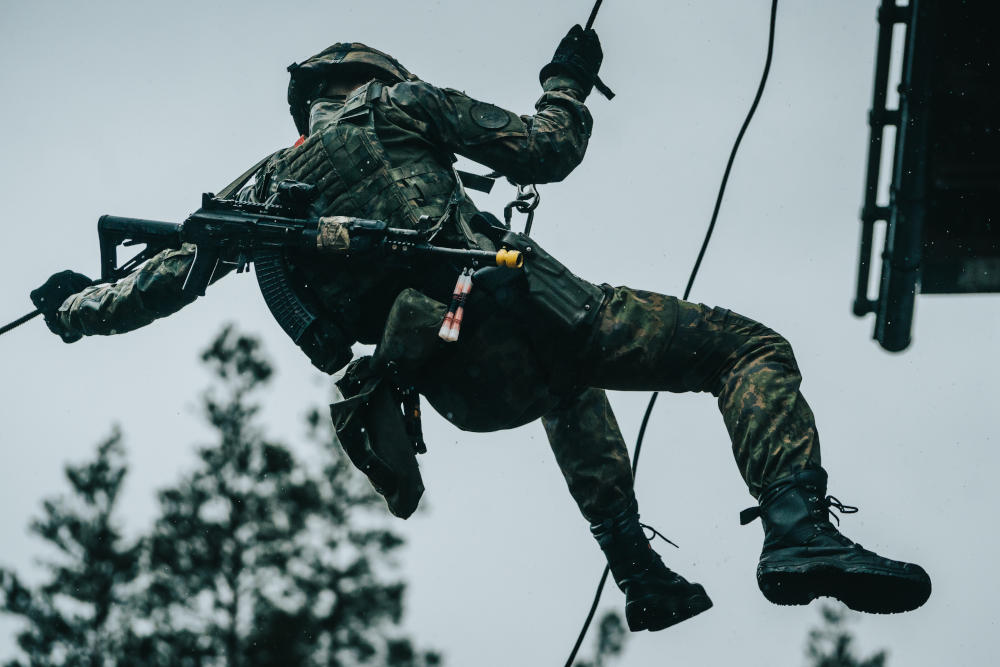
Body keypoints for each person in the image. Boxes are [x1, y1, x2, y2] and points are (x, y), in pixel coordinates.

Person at [30, 27, 931, 633]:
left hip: (453, 385)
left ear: (309, 101)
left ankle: (638, 575)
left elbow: (160, 281)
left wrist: (73, 309)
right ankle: (797, 523)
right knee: (748, 347)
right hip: (519, 306)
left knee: (564, 385)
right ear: (374, 80)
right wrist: (567, 80)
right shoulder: (408, 105)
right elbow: (549, 150)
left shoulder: (260, 187)